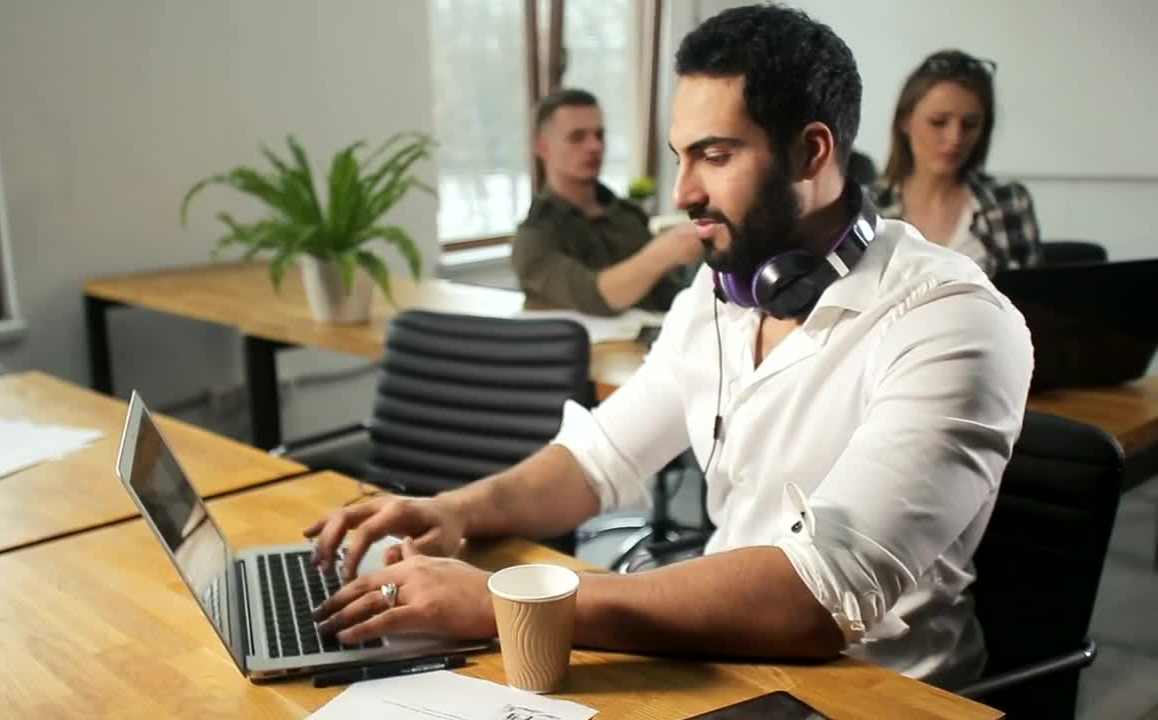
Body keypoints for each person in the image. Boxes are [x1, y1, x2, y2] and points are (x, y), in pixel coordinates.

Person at [305, 4, 1033, 689]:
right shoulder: (721, 292)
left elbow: (818, 599)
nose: (682, 191)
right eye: (680, 156)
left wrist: (509, 599)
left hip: (874, 694)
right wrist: (458, 509)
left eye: (714, 155)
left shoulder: (952, 320)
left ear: (811, 152)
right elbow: (598, 460)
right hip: (725, 665)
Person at [510, 88, 703, 315]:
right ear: (542, 147)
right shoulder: (533, 238)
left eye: (599, 135)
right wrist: (665, 252)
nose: (594, 146)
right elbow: (595, 296)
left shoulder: (629, 216)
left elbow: (670, 296)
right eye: (577, 137)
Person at [869, 50, 1043, 276]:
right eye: (938, 122)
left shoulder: (1009, 201)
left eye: (970, 125)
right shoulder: (865, 208)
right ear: (905, 122)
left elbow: (1034, 295)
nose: (955, 139)